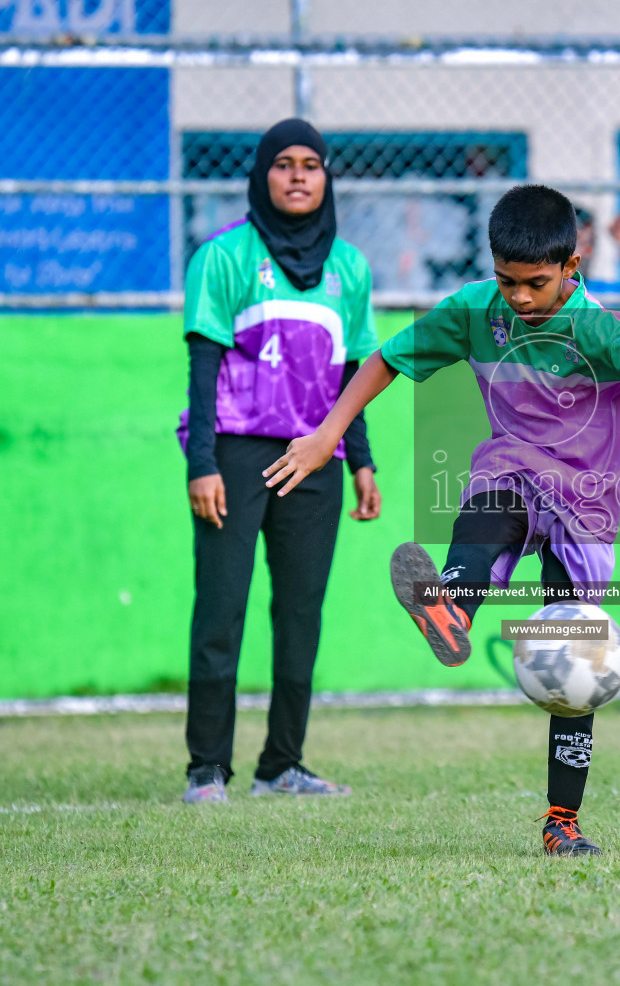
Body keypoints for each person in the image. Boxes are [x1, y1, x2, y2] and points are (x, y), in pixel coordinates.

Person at [260, 184, 620, 854]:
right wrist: (325, 437)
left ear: (572, 267)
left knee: (576, 666)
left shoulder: (606, 331)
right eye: (506, 280)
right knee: (495, 494)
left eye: (535, 283)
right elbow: (388, 360)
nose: (518, 298)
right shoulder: (474, 311)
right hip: (516, 468)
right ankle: (451, 604)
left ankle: (561, 824)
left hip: (589, 504)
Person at [178, 118, 382, 804]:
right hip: (235, 452)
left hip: (316, 456)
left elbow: (354, 373)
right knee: (222, 609)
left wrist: (361, 460)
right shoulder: (223, 258)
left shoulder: (350, 268)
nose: (298, 176)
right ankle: (207, 768)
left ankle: (281, 765)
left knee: (300, 613)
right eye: (284, 164)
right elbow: (202, 364)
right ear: (262, 175)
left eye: (311, 165)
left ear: (327, 178)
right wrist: (200, 462)